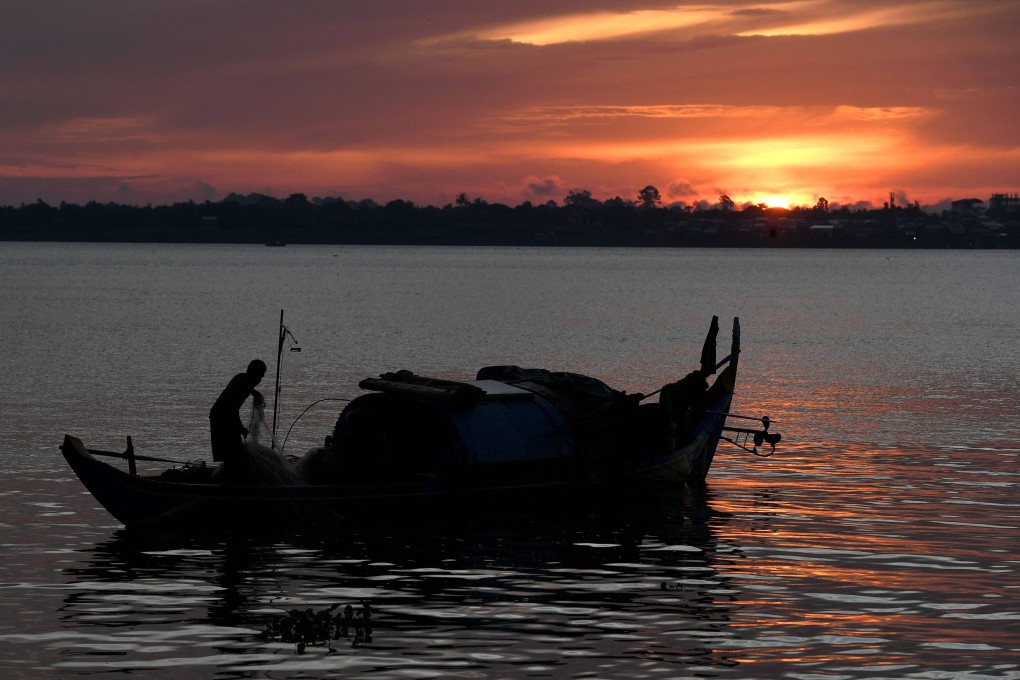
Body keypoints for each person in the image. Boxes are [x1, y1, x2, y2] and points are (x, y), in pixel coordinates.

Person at [209, 359, 267, 475]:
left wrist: (254, 392)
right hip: (222, 418)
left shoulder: (241, 377)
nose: (260, 380)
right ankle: (230, 479)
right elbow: (231, 410)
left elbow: (245, 389)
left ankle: (229, 476)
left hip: (219, 415)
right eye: (259, 376)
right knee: (233, 454)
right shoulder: (244, 384)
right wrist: (241, 429)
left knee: (232, 454)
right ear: (254, 374)